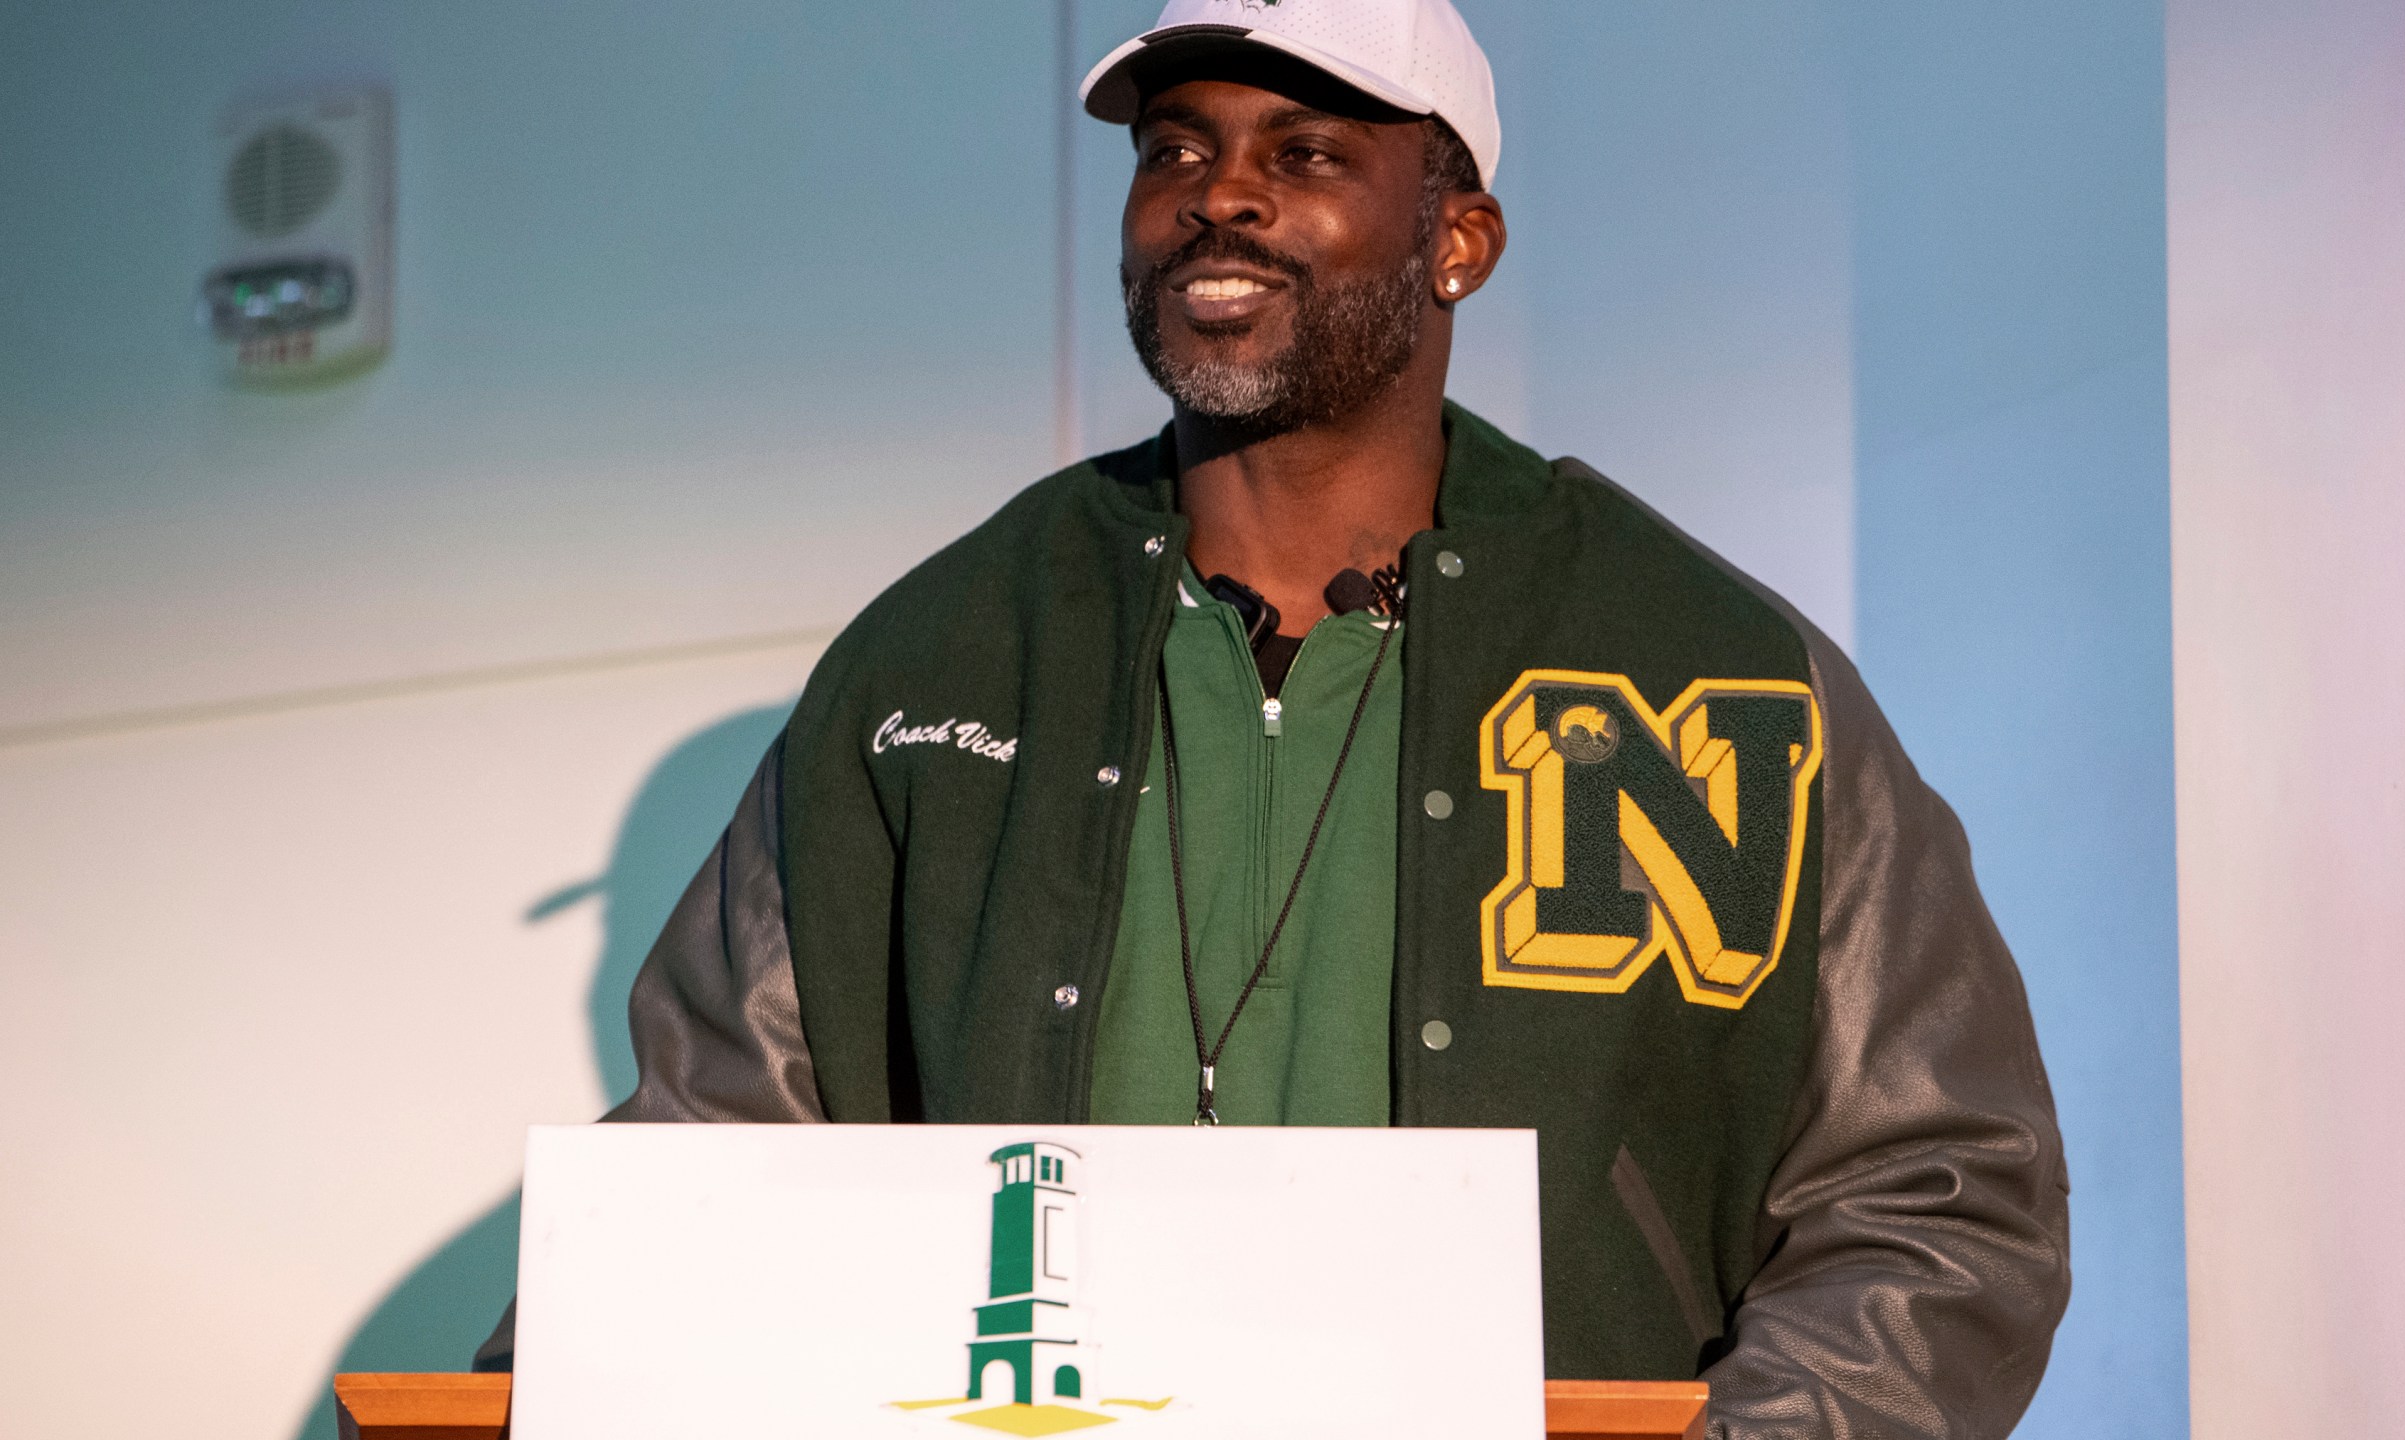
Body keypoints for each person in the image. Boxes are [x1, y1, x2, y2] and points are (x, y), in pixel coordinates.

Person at [478, 2, 2069, 1433]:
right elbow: (709, 1152)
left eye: (1305, 150)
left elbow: (1938, 1191)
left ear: (1461, 239)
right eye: (1178, 150)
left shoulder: (1706, 668)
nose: (1218, 194)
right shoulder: (942, 659)